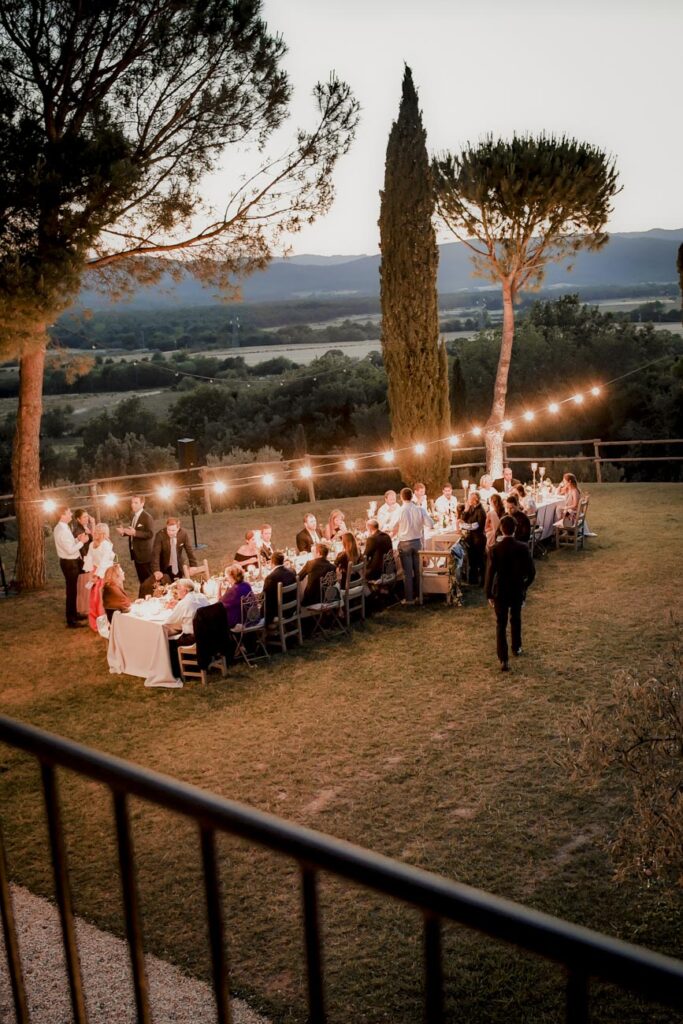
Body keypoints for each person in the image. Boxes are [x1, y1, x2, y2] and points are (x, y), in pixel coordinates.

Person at [485, 514, 536, 671]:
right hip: (516, 589)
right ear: (515, 529)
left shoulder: (495, 549)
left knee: (501, 623)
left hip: (500, 590)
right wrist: (524, 586)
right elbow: (532, 572)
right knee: (516, 618)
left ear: (501, 529)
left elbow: (490, 573)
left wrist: (488, 594)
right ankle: (516, 646)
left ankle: (503, 658)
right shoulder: (522, 547)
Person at [163, 579, 210, 678]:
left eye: (178, 588)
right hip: (209, 633)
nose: (176, 591)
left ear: (185, 590)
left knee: (169, 641)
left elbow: (170, 621)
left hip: (194, 638)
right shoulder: (202, 596)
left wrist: (173, 609)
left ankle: (177, 673)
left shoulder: (184, 603)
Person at [396, 487, 433, 604]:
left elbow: (391, 526)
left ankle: (409, 599)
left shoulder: (400, 511)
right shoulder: (420, 509)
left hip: (405, 542)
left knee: (407, 572)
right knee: (418, 570)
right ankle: (419, 595)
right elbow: (430, 524)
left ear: (401, 497)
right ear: (412, 496)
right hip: (417, 542)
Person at [53, 506, 89, 628]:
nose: (71, 514)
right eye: (69, 513)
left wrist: (76, 538)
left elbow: (68, 543)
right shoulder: (62, 530)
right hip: (69, 563)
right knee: (71, 591)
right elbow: (69, 550)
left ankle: (74, 614)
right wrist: (81, 542)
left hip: (70, 562)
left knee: (74, 590)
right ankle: (71, 620)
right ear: (62, 515)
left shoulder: (62, 527)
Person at [116, 495, 155, 592]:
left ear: (142, 503)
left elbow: (150, 534)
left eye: (136, 502)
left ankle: (153, 597)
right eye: (132, 502)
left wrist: (135, 533)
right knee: (142, 580)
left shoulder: (147, 517)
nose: (133, 505)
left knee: (149, 579)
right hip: (136, 554)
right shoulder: (134, 517)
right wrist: (124, 532)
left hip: (145, 555)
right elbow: (132, 531)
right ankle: (146, 597)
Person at [82, 523, 115, 631]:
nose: (94, 533)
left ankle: (101, 622)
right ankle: (101, 621)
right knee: (98, 598)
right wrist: (93, 574)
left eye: (96, 532)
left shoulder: (100, 544)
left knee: (98, 597)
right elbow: (97, 560)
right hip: (100, 572)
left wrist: (95, 574)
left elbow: (100, 561)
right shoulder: (98, 544)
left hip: (101, 572)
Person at [151, 517, 197, 583]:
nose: (170, 532)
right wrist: (156, 570)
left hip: (178, 564)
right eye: (168, 530)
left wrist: (193, 565)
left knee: (180, 585)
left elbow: (189, 550)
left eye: (173, 530)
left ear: (178, 528)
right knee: (166, 586)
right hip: (164, 565)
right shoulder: (160, 535)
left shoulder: (183, 534)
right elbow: (156, 553)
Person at [262, 551, 297, 625]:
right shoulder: (292, 572)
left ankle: (270, 631)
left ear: (272, 562)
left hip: (279, 612)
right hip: (292, 608)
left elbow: (264, 598)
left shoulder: (271, 577)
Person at [298, 542, 336, 606]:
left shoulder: (310, 564)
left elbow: (299, 577)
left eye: (313, 552)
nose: (312, 555)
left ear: (318, 553)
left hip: (311, 601)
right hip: (328, 599)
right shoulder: (332, 567)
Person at [461, 492, 486, 584]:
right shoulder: (471, 508)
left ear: (476, 500)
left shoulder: (480, 511)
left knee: (479, 559)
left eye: (470, 499)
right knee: (472, 560)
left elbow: (476, 526)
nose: (468, 500)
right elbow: (463, 518)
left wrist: (464, 526)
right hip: (471, 538)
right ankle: (473, 580)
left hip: (478, 539)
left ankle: (483, 580)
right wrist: (466, 510)